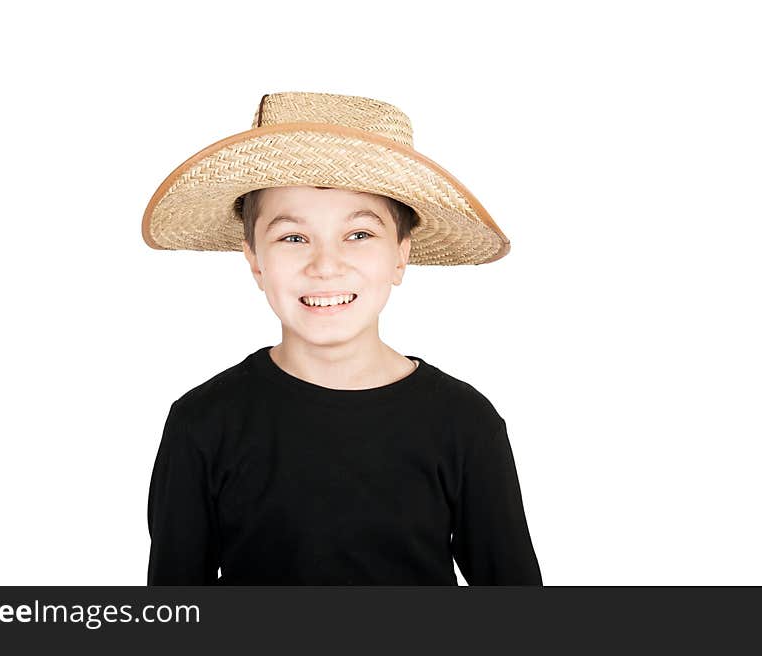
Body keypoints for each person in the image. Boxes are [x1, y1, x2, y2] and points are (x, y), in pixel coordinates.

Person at [142, 91, 542, 585]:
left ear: (400, 256)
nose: (325, 265)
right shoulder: (202, 424)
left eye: (359, 235)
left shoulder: (465, 424)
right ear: (254, 261)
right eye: (293, 237)